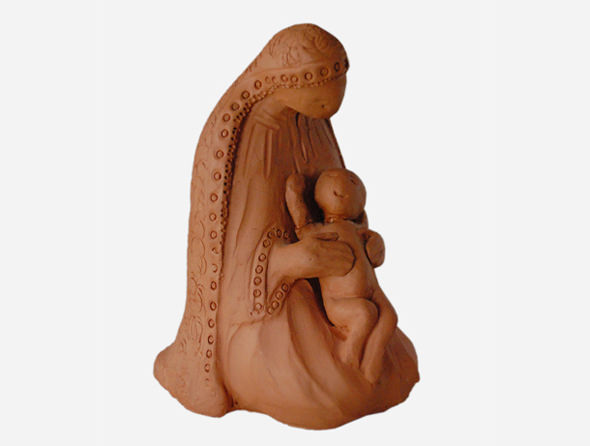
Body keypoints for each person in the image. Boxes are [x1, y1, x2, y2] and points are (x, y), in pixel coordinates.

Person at [154, 23, 419, 429]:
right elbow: (236, 271)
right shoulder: (248, 141)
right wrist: (295, 260)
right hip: (271, 311)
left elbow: (344, 206)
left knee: (391, 354)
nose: (330, 108)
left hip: (334, 290)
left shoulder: (311, 123)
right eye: (322, 96)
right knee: (327, 391)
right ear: (292, 84)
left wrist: (365, 241)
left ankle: (356, 357)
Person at [286, 168, 396, 373]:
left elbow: (375, 257)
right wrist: (294, 194)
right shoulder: (322, 230)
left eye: (353, 182)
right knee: (365, 314)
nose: (348, 182)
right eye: (333, 178)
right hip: (339, 302)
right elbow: (302, 228)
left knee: (389, 317)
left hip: (373, 292)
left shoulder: (360, 230)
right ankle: (349, 358)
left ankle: (372, 360)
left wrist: (377, 245)